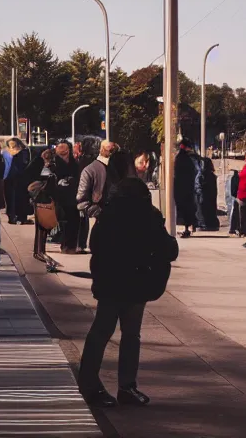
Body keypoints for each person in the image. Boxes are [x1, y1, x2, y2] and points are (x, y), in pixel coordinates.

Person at [78, 152, 178, 408]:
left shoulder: (108, 214)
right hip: (137, 282)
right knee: (131, 335)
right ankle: (127, 386)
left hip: (110, 283)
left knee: (100, 332)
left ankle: (88, 383)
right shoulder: (149, 216)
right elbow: (169, 250)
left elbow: (95, 245)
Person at [29, 148, 58, 270]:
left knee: (41, 230)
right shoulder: (51, 170)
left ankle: (41, 253)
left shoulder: (45, 170)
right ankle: (41, 253)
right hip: (46, 202)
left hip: (41, 203)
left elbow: (32, 188)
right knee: (43, 230)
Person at [77, 140, 116, 220]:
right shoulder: (90, 170)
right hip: (99, 217)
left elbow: (81, 198)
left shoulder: (89, 170)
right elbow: (82, 199)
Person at [53, 142, 79, 254]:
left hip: (66, 196)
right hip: (66, 196)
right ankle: (68, 245)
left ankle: (67, 245)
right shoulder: (72, 163)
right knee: (70, 221)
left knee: (67, 221)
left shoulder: (56, 163)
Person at [76, 137, 101, 254]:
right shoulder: (96, 162)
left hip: (83, 193)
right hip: (93, 194)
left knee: (82, 220)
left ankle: (80, 244)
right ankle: (83, 244)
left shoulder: (81, 161)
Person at [5, 137, 32, 224]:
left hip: (9, 178)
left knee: (11, 199)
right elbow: (24, 165)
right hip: (19, 179)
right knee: (20, 199)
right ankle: (20, 218)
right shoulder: (23, 153)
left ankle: (13, 217)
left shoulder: (6, 153)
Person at [174, 139, 198, 238]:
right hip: (188, 187)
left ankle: (187, 228)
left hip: (181, 187)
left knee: (183, 208)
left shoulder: (180, 158)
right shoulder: (189, 159)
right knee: (188, 208)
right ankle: (189, 227)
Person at [201, 157, 220, 231]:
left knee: (205, 210)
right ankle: (211, 224)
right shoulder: (212, 175)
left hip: (205, 196)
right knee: (211, 210)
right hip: (211, 196)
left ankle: (206, 224)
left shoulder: (203, 175)